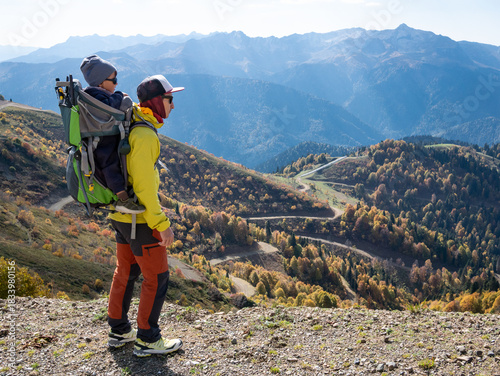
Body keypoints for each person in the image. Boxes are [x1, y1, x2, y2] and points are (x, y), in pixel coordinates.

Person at [106, 74, 185, 357]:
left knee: (125, 271)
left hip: (120, 215)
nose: (173, 105)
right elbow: (144, 187)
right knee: (157, 277)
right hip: (140, 219)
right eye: (169, 99)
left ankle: (119, 330)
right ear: (156, 101)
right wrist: (162, 224)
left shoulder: (131, 126)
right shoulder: (144, 134)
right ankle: (147, 338)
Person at [80, 54, 145, 214]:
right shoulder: (96, 95)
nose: (116, 83)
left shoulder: (92, 93)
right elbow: (109, 105)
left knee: (111, 164)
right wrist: (120, 96)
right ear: (101, 82)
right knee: (110, 165)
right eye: (113, 80)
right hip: (102, 139)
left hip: (100, 135)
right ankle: (122, 199)